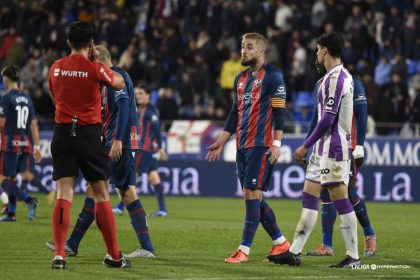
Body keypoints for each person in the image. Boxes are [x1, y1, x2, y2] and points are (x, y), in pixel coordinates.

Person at [45, 45, 156, 260]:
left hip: (119, 142)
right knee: (126, 191)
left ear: (99, 58)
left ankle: (71, 244)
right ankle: (147, 247)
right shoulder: (104, 80)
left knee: (94, 189)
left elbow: (124, 108)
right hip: (121, 141)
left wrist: (117, 140)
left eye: (92, 58)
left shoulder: (118, 76)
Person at [268, 32, 360, 268]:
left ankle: (353, 256)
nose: (316, 54)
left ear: (326, 50)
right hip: (322, 149)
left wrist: (304, 144)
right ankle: (294, 252)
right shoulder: (332, 77)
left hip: (334, 148)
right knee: (309, 195)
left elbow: (328, 119)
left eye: (318, 49)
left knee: (339, 196)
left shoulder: (336, 78)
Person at [47, 21, 128, 269]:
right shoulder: (94, 68)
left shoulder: (56, 68)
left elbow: (54, 96)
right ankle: (114, 256)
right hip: (89, 135)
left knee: (64, 193)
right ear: (91, 43)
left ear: (68, 42)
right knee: (102, 195)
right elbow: (119, 83)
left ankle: (59, 254)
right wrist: (95, 61)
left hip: (61, 134)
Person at [206, 32, 290, 264]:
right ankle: (280, 243)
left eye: (249, 47)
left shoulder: (273, 76)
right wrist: (221, 141)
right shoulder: (240, 78)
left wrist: (277, 143)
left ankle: (244, 250)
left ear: (261, 51)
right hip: (242, 145)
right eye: (243, 46)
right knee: (253, 195)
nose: (244, 50)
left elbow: (280, 112)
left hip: (260, 145)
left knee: (251, 194)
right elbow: (235, 114)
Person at [306, 62, 376, 257]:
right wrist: (307, 144)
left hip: (347, 146)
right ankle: (326, 245)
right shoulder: (320, 83)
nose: (317, 59)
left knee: (348, 192)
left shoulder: (353, 83)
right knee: (326, 194)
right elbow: (316, 117)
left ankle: (369, 234)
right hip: (325, 148)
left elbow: (361, 116)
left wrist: (360, 145)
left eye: (319, 52)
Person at [112, 85, 168, 217]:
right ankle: (162, 209)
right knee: (154, 178)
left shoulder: (151, 110)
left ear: (148, 95)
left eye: (141, 93)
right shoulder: (140, 109)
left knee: (129, 176)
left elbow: (157, 131)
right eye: (136, 93)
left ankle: (120, 207)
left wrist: (160, 147)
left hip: (144, 150)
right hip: (148, 150)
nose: (138, 96)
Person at [0, 65, 42, 222]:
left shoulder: (6, 98)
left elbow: (1, 123)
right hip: (26, 143)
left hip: (10, 144)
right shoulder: (28, 99)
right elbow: (34, 125)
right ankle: (11, 213)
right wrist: (37, 147)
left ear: (6, 79)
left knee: (2, 179)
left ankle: (28, 200)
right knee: (11, 178)